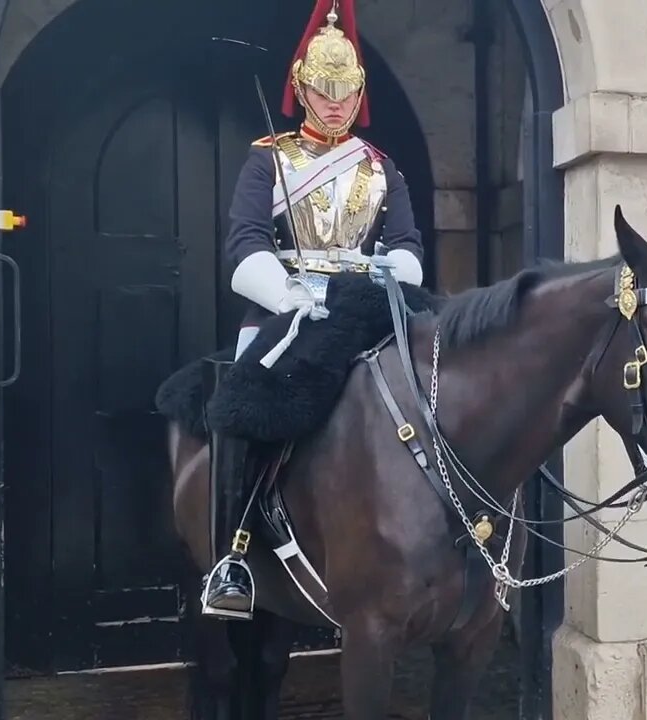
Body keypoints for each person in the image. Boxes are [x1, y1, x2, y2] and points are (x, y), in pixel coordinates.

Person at [201, 0, 426, 621]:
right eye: (322, 89)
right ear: (301, 87)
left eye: (345, 90)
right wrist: (287, 295)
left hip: (363, 307)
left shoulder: (382, 170)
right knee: (248, 407)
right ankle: (234, 558)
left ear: (359, 93)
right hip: (287, 307)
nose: (334, 102)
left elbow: (408, 248)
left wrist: (382, 274)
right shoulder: (268, 158)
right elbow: (244, 241)